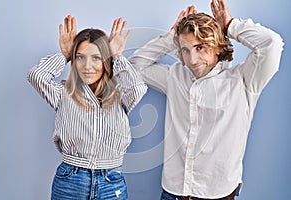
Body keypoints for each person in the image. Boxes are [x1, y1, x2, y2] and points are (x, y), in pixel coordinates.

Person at [129, 0, 284, 199]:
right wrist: (171, 37)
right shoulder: (175, 76)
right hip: (173, 193)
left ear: (218, 47)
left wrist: (230, 25)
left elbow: (272, 44)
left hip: (218, 194)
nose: (192, 59)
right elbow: (134, 68)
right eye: (185, 50)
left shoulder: (243, 80)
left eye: (200, 47)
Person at [27, 15, 147, 200]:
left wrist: (117, 56)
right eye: (80, 57)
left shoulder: (119, 96)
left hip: (111, 181)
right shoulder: (63, 93)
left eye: (96, 58)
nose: (87, 66)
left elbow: (138, 87)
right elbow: (37, 75)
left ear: (106, 62)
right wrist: (65, 55)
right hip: (70, 180)